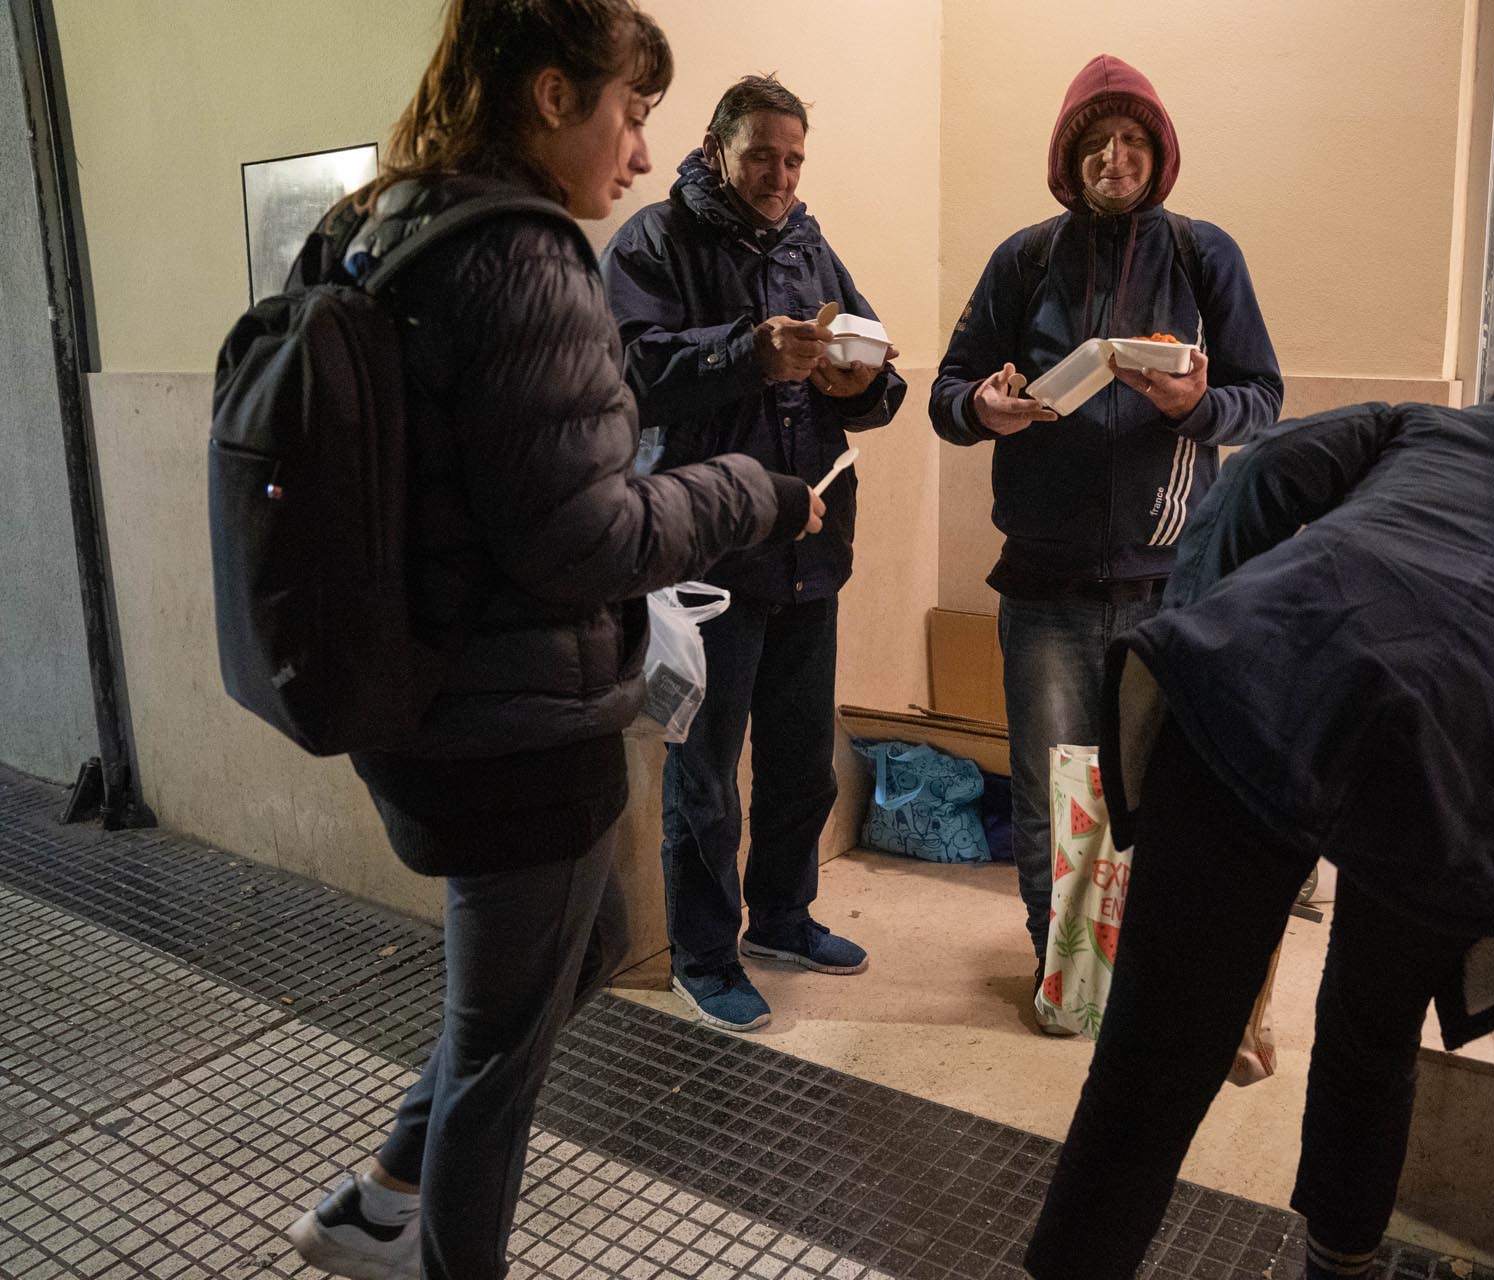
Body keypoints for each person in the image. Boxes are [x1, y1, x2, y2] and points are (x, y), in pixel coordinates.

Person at [285, 6, 824, 1279]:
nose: (641, 153)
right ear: (548, 97)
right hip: (515, 718)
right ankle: (420, 1245)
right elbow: (586, 536)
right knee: (500, 1050)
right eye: (630, 115)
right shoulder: (525, 257)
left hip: (426, 693)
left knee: (577, 952)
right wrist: (752, 486)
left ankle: (378, 1197)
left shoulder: (386, 220)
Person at [1023, 358, 1494, 1280]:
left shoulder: (1420, 426)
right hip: (1461, 767)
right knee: (1371, 1037)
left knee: (1156, 1046)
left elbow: (1259, 471)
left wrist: (1200, 625)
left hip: (1264, 665)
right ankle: (1341, 1263)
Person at [929, 54, 1284, 1018]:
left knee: (1163, 798)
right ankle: (1068, 978)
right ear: (1070, 156)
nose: (1115, 159)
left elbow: (1262, 398)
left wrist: (1195, 403)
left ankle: (1155, 976)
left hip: (1170, 589)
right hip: (1042, 588)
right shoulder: (1026, 257)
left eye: (1133, 142)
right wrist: (985, 406)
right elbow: (948, 392)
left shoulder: (1207, 255)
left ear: (1157, 156)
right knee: (1053, 799)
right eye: (1097, 142)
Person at [601, 75, 906, 1032]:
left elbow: (877, 377)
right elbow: (627, 371)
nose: (780, 176)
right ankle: (703, 953)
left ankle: (782, 914)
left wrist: (863, 383)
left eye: (794, 159)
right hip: (706, 560)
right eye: (762, 156)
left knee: (798, 758)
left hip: (810, 548)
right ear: (717, 147)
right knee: (703, 772)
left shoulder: (813, 247)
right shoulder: (652, 241)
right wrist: (746, 353)